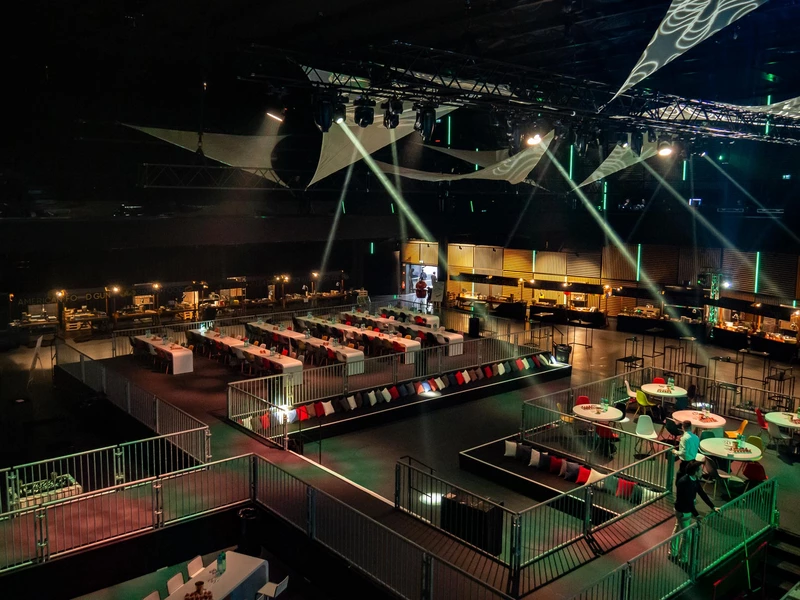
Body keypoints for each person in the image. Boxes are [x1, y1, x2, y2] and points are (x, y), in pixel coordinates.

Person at [669, 461, 719, 564]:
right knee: (687, 536)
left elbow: (702, 493)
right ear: (695, 472)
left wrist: (713, 506)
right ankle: (683, 558)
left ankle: (673, 551)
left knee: (678, 529)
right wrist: (697, 515)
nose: (702, 471)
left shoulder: (693, 480)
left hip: (683, 510)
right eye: (700, 470)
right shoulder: (685, 483)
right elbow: (688, 501)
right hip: (683, 511)